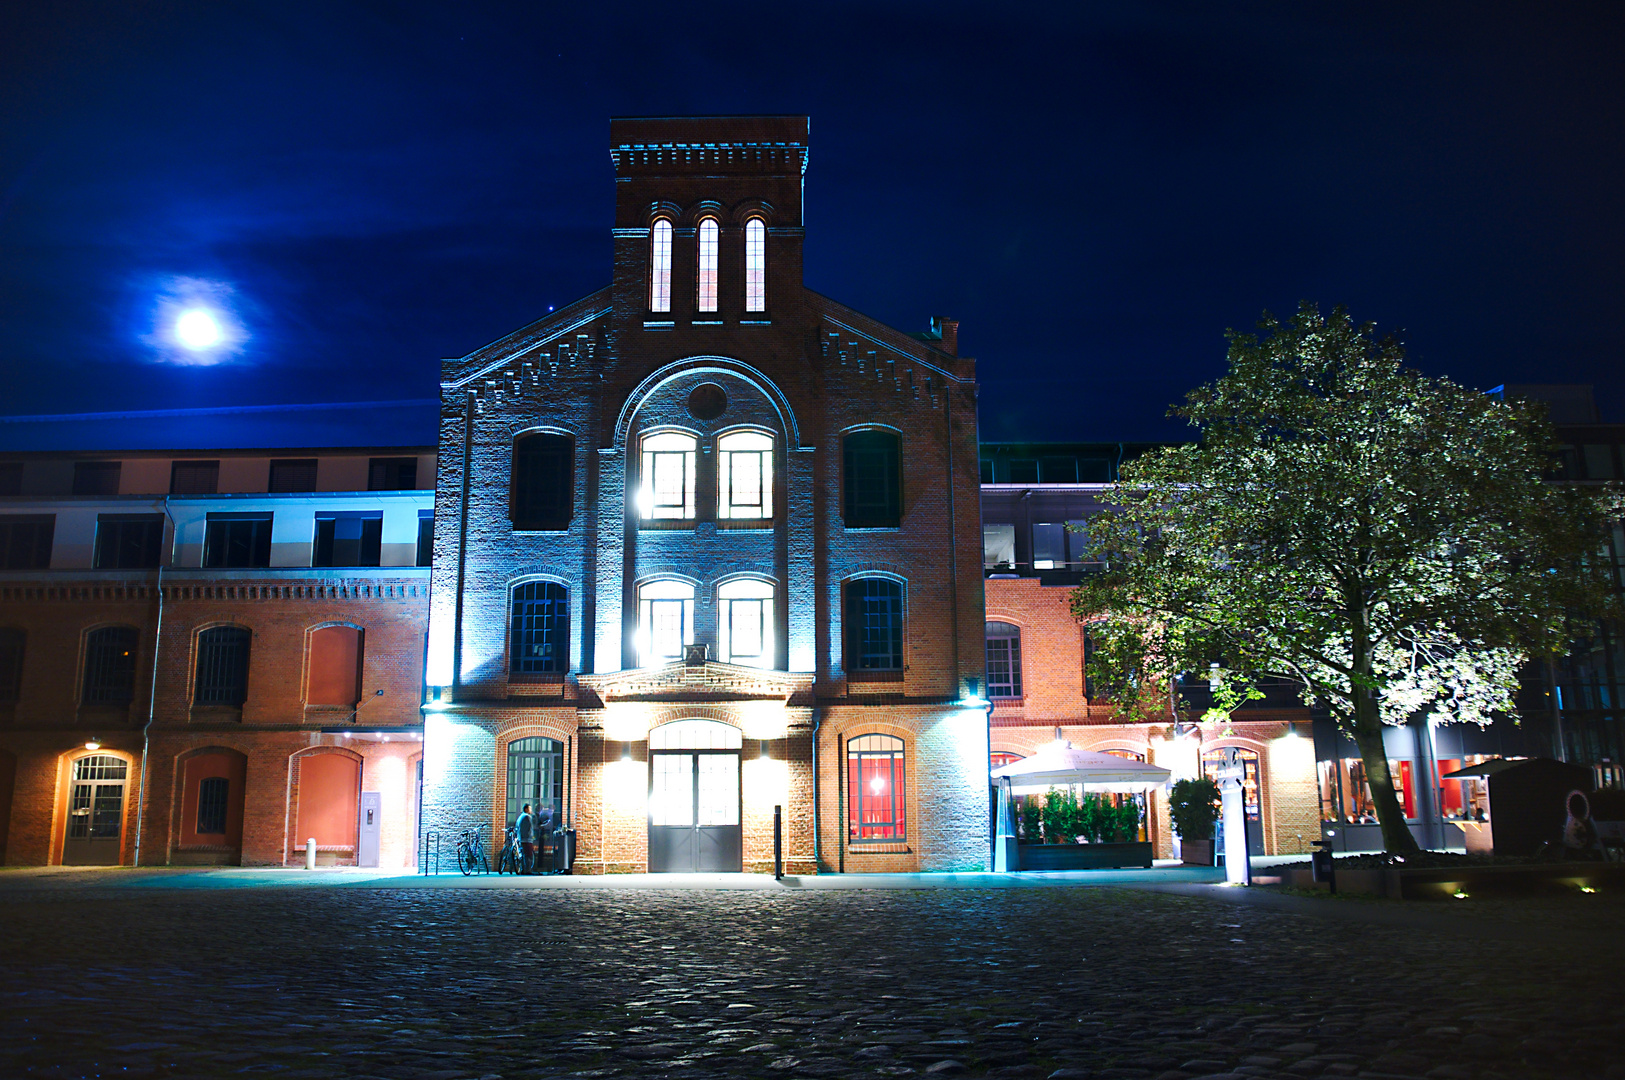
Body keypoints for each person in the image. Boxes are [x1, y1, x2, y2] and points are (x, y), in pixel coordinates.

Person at [516, 803, 537, 875]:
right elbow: (529, 829)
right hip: (527, 839)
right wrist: (531, 837)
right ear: (526, 809)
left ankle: (523, 869)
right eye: (529, 809)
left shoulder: (520, 817)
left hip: (521, 838)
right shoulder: (527, 817)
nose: (531, 810)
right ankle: (528, 870)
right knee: (528, 855)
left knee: (524, 855)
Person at [535, 802, 555, 873]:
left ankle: (542, 867)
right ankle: (540, 867)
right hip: (541, 836)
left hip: (544, 835)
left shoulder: (541, 816)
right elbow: (537, 826)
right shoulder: (538, 816)